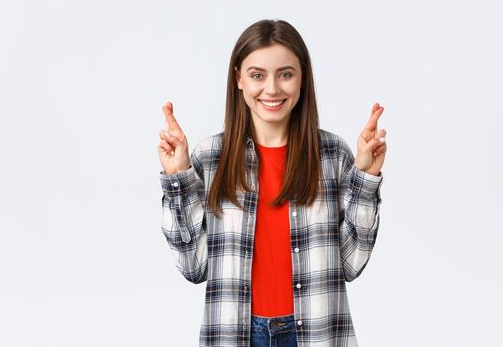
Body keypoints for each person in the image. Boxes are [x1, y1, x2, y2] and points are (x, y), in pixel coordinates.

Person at [157, 19, 387, 347]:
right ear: (238, 78)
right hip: (236, 334)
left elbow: (351, 264)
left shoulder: (332, 155)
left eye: (285, 74)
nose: (272, 89)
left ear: (302, 78)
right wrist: (178, 177)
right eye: (257, 75)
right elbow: (194, 266)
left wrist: (365, 177)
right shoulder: (210, 157)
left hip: (317, 334)